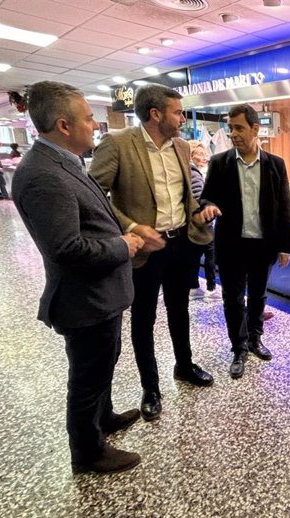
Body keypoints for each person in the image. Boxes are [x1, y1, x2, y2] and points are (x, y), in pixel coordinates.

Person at [12, 81, 145, 474]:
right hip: (84, 299)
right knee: (87, 377)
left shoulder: (66, 162)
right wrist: (124, 245)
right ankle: (88, 452)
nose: (95, 125)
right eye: (88, 119)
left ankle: (103, 418)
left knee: (103, 363)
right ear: (63, 124)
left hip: (103, 295)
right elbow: (66, 248)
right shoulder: (43, 176)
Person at [89, 83, 215, 422]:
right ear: (156, 114)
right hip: (143, 248)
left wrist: (199, 210)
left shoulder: (183, 147)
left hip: (181, 243)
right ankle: (151, 386)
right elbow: (93, 196)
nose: (182, 117)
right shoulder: (117, 144)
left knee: (180, 309)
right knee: (144, 318)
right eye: (177, 111)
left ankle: (184, 365)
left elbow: (185, 196)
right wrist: (131, 228)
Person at [198, 104, 290, 379]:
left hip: (262, 244)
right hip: (231, 245)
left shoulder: (275, 165)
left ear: (255, 128)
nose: (233, 134)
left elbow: (285, 206)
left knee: (259, 296)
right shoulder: (220, 163)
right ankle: (238, 347)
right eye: (231, 128)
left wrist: (285, 245)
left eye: (239, 127)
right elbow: (207, 196)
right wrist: (207, 206)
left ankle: (254, 338)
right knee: (232, 298)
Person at [187, 140, 220, 301]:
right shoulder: (193, 173)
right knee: (210, 255)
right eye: (200, 153)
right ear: (191, 155)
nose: (204, 156)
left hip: (192, 225)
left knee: (194, 256)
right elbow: (199, 198)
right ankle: (211, 290)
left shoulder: (189, 171)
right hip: (201, 223)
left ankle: (193, 288)